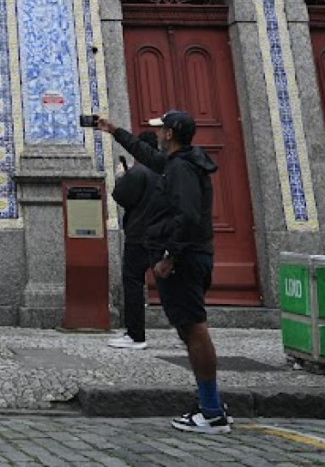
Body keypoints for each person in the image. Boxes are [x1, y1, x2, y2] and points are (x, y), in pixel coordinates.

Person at [97, 111, 229, 434]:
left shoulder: (181, 168)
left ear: (170, 134)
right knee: (189, 328)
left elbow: (187, 215)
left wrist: (170, 256)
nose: (156, 134)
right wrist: (114, 131)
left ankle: (212, 411)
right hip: (189, 255)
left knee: (194, 328)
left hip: (184, 259)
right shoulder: (176, 163)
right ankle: (210, 404)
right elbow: (147, 155)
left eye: (160, 130)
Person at [109, 130, 163, 351]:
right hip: (162, 236)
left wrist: (122, 176)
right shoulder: (166, 171)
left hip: (139, 236)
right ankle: (187, 332)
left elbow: (120, 196)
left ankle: (136, 335)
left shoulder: (139, 172)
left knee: (133, 283)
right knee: (170, 287)